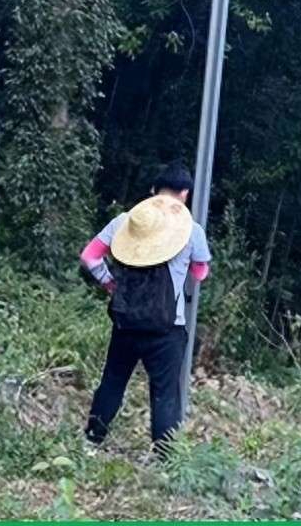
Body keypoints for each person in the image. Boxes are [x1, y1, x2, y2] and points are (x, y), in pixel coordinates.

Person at [79, 162, 212, 455]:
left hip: (126, 321)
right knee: (165, 393)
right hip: (168, 327)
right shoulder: (193, 231)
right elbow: (200, 272)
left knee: (113, 381)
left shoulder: (124, 222)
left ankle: (92, 441)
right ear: (185, 194)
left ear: (153, 191)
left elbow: (89, 256)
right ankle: (164, 457)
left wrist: (110, 284)